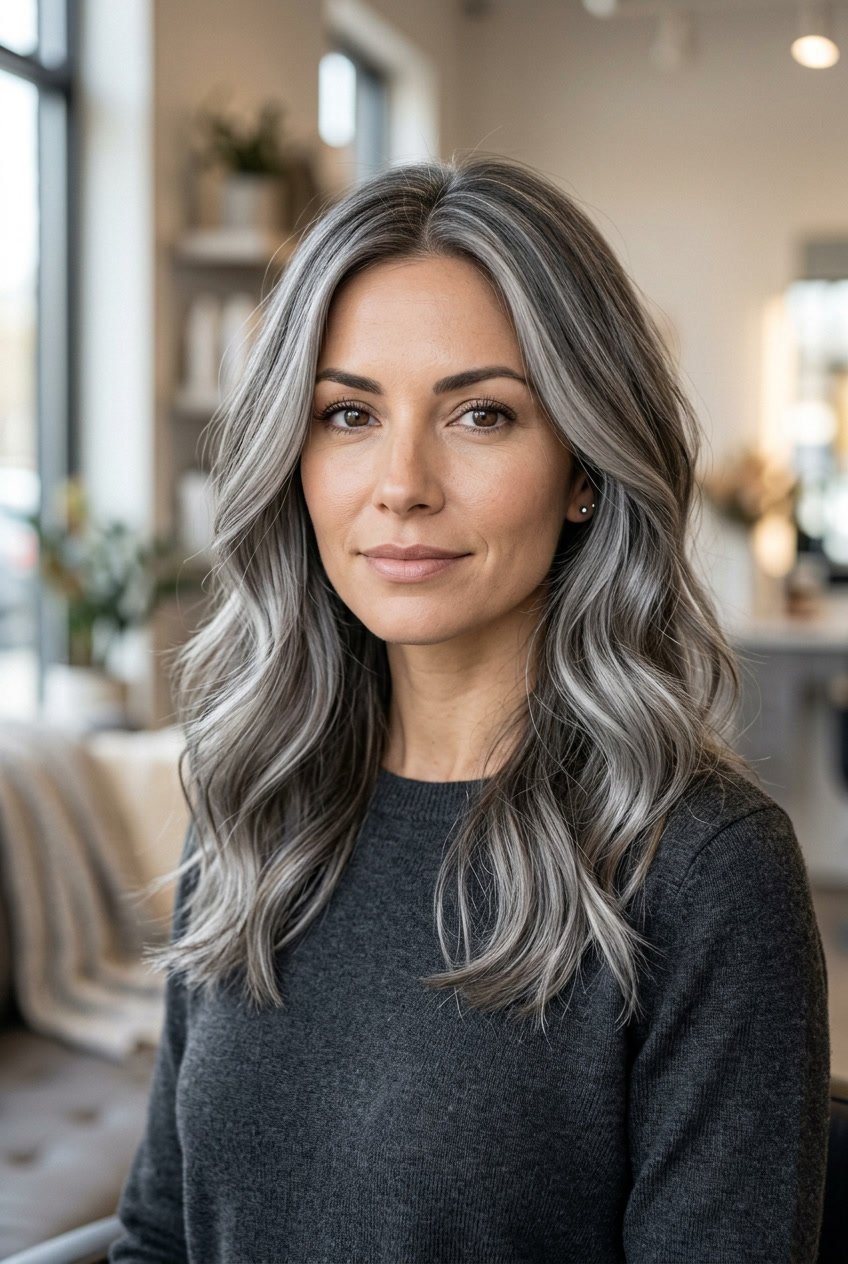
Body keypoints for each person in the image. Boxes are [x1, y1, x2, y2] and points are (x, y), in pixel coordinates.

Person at [110, 154, 830, 1263]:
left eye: (481, 415)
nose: (400, 481)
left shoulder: (704, 872)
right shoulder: (254, 806)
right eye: (348, 413)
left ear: (582, 467)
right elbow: (161, 1234)